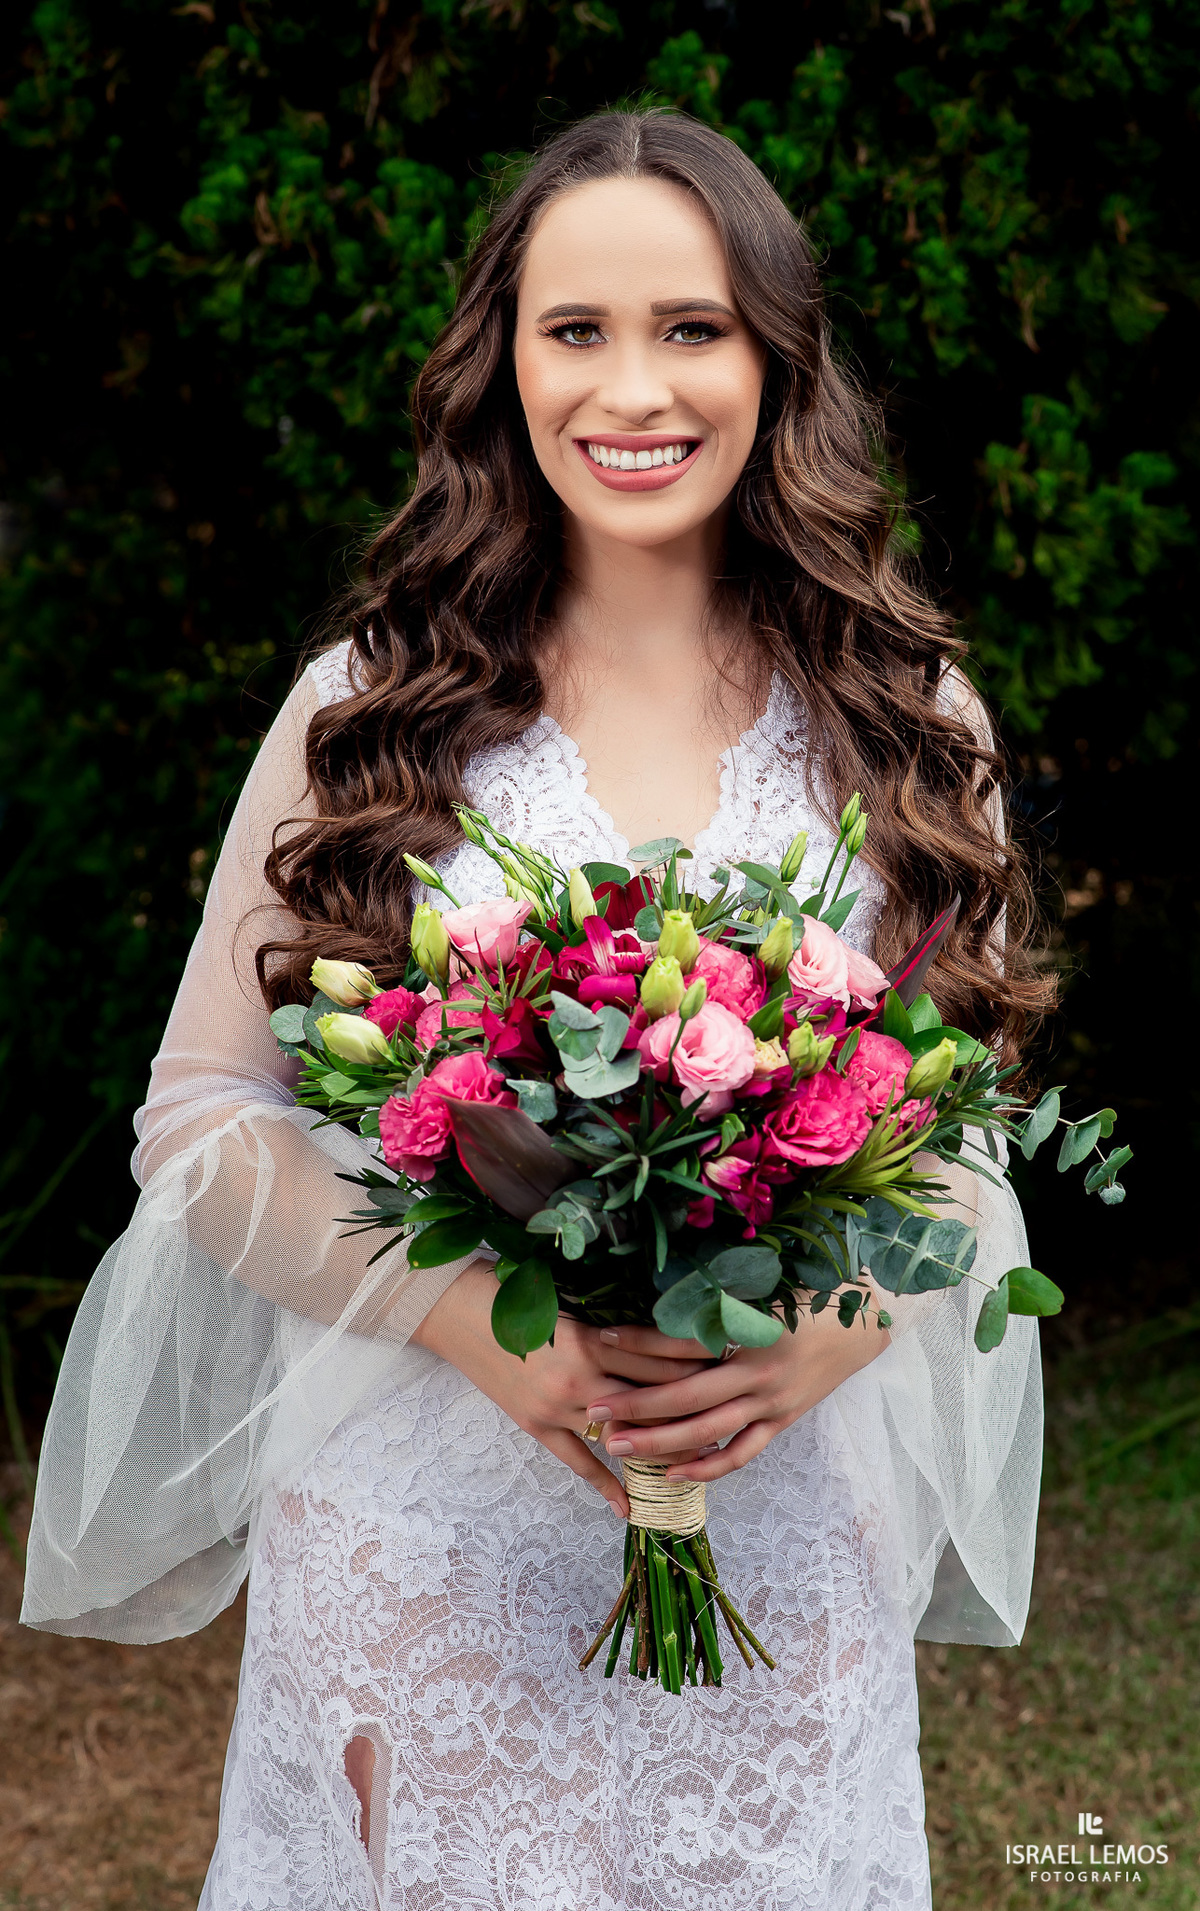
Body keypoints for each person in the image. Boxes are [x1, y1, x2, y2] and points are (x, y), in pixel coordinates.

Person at [22, 109, 1049, 1909]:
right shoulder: (374, 705)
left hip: (783, 1533)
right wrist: (464, 1321)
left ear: (774, 359)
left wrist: (836, 1325)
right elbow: (199, 1113)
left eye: (692, 327)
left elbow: (960, 1140)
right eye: (576, 330)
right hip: (425, 1550)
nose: (630, 388)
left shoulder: (909, 716)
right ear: (504, 359)